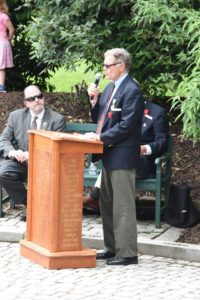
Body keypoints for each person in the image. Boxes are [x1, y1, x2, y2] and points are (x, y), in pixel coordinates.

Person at [85, 48, 144, 266]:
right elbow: (102, 118)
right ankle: (112, 248)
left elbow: (127, 126)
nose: (104, 69)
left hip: (123, 155)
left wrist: (100, 137)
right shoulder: (111, 88)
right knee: (107, 203)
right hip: (109, 154)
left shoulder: (132, 90)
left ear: (121, 65)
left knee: (123, 206)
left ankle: (128, 253)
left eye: (107, 65)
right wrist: (94, 102)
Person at [84, 100, 169, 212]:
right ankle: (104, 201)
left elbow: (162, 142)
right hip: (121, 157)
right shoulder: (121, 110)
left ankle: (96, 197)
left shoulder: (157, 112)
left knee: (119, 160)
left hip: (143, 161)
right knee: (118, 159)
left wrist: (145, 148)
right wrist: (94, 103)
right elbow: (104, 124)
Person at [0, 85, 66, 221]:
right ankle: (31, 204)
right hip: (20, 161)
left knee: (47, 174)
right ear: (26, 103)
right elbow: (4, 139)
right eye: (31, 98)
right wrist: (12, 152)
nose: (36, 100)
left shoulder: (57, 119)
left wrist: (34, 154)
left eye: (39, 96)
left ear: (43, 98)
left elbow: (57, 145)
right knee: (4, 173)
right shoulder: (16, 116)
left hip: (45, 162)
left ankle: (36, 208)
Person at [0, 0, 14, 92]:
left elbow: (11, 29)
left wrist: (9, 40)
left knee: (0, 66)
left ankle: (1, 86)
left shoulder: (4, 17)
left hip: (2, 43)